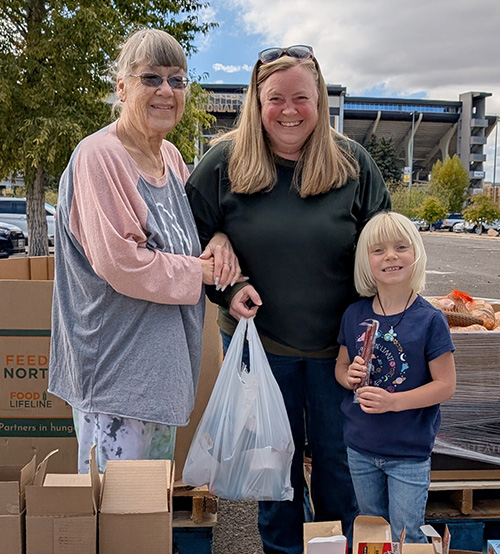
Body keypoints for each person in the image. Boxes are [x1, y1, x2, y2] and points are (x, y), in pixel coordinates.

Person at [186, 45, 391, 554]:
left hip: (341, 354)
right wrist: (226, 278)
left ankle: (340, 545)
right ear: (256, 103)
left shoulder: (353, 165)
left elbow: (388, 243)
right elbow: (185, 238)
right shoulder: (223, 163)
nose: (290, 109)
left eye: (302, 97)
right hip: (263, 347)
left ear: (319, 101)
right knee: (272, 468)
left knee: (340, 468)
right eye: (276, 98)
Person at [48, 29, 240, 473]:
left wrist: (217, 240)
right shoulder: (99, 156)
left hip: (160, 374)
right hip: (116, 372)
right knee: (115, 512)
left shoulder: (171, 157)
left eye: (177, 80)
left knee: (146, 503)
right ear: (121, 87)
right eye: (151, 78)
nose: (166, 91)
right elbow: (123, 264)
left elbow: (191, 231)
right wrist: (202, 273)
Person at [335, 211, 456, 543]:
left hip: (408, 452)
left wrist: (393, 402)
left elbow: (446, 385)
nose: (390, 256)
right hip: (360, 446)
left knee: (407, 535)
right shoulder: (355, 314)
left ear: (416, 253)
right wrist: (350, 377)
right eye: (378, 250)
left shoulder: (430, 320)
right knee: (372, 533)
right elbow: (341, 367)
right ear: (366, 262)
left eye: (400, 247)